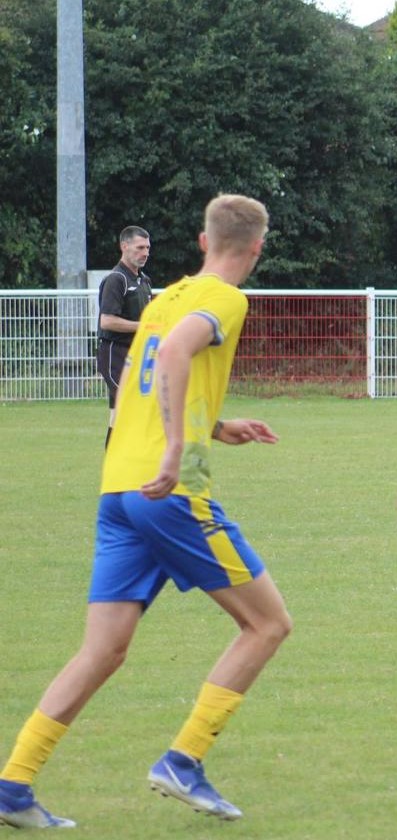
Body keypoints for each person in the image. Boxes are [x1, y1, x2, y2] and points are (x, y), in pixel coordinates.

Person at [0, 195, 289, 828]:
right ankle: (183, 761)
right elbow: (179, 356)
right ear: (257, 248)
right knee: (268, 626)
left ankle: (13, 784)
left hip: (118, 492)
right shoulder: (225, 299)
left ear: (200, 239)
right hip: (171, 492)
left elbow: (143, 372)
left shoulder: (167, 296)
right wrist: (181, 448)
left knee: (101, 651)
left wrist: (216, 422)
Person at [96, 226, 155, 447]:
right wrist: (144, 326)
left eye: (148, 248)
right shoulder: (116, 279)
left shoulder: (144, 281)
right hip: (115, 355)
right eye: (140, 247)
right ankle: (124, 466)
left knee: (117, 415)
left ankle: (114, 468)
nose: (145, 253)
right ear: (125, 246)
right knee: (132, 407)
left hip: (137, 355)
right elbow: (107, 321)